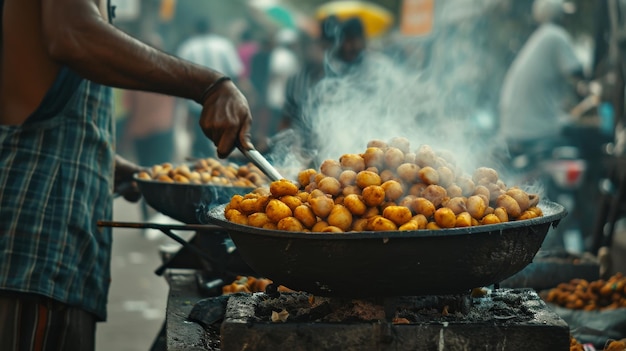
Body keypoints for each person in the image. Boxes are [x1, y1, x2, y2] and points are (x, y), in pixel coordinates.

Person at [0, 1, 253, 350]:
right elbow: (73, 34)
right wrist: (210, 85)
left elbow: (39, 99)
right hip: (36, 242)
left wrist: (108, 163)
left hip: (61, 252)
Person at [498, 0, 585, 155]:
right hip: (537, 130)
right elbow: (577, 74)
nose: (568, 19)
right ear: (559, 15)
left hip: (513, 130)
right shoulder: (556, 36)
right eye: (565, 15)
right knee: (587, 141)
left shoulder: (539, 37)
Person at [176, 17, 244, 159]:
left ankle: (202, 164)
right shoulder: (224, 45)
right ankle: (214, 163)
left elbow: (180, 76)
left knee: (199, 136)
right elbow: (235, 72)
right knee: (220, 136)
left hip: (196, 102)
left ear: (195, 30)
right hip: (221, 101)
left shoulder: (188, 46)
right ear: (211, 29)